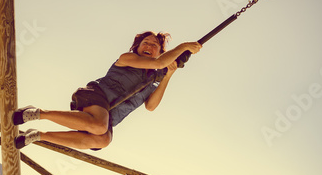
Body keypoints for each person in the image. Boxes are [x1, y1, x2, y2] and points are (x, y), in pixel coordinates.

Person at [13, 31, 201, 150]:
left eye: (154, 45)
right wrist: (183, 47)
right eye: (146, 42)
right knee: (101, 126)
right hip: (95, 95)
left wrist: (167, 77)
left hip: (106, 117)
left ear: (160, 51)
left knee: (103, 140)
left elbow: (151, 107)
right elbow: (159, 63)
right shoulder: (127, 58)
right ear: (137, 46)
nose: (149, 46)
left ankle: (37, 135)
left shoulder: (151, 82)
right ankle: (38, 113)